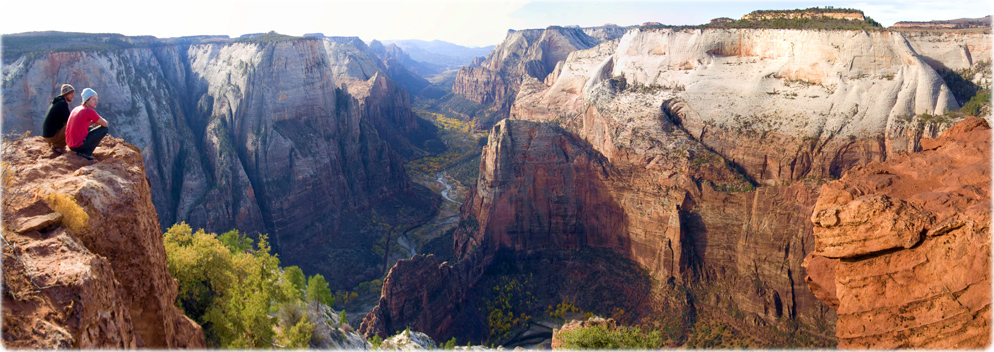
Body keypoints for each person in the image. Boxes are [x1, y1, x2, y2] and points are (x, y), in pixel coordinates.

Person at [65, 88, 109, 161]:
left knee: (91, 129)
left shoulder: (77, 108)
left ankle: (83, 149)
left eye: (96, 99)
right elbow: (105, 124)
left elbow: (81, 124)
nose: (96, 102)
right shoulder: (89, 111)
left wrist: (93, 122)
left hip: (70, 145)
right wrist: (98, 118)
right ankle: (86, 152)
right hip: (79, 147)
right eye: (93, 99)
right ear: (87, 100)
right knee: (104, 129)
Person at [41, 84, 75, 154]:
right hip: (52, 136)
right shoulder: (62, 104)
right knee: (74, 127)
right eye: (71, 94)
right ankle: (58, 146)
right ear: (66, 94)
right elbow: (69, 121)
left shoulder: (58, 102)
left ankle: (57, 145)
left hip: (48, 135)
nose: (73, 96)